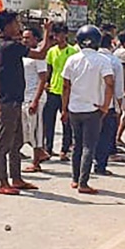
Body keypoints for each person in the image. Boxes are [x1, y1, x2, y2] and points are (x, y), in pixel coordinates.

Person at [0, 10, 47, 196]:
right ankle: (2, 181)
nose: (19, 26)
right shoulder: (9, 47)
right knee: (4, 143)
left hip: (14, 99)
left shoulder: (5, 45)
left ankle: (16, 178)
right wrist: (47, 33)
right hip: (9, 101)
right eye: (16, 23)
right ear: (7, 26)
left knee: (17, 141)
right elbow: (40, 53)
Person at [62, 25, 115, 194]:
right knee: (88, 146)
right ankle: (83, 182)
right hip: (93, 109)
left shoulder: (72, 59)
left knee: (77, 145)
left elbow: (65, 85)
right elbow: (110, 83)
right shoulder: (103, 60)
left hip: (74, 108)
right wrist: (106, 105)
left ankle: (75, 179)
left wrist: (64, 108)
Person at [43, 25, 78, 161]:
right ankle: (48, 148)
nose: (57, 37)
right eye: (55, 35)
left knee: (66, 121)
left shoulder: (72, 52)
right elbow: (49, 69)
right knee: (49, 120)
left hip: (68, 91)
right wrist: (47, 82)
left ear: (65, 35)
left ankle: (64, 149)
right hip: (53, 89)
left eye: (59, 34)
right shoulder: (52, 51)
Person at [95, 31, 125, 175]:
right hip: (108, 105)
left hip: (87, 103)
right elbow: (118, 89)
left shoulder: (86, 59)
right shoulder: (114, 62)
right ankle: (100, 165)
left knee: (88, 137)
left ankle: (83, 167)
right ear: (111, 43)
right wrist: (119, 107)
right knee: (105, 136)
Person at [22, 26, 50, 173]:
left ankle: (36, 161)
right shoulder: (25, 55)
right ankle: (40, 152)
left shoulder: (38, 57)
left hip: (35, 97)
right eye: (24, 37)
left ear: (35, 39)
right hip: (24, 96)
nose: (25, 40)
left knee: (35, 129)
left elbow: (42, 78)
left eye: (28, 38)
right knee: (26, 129)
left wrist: (35, 100)